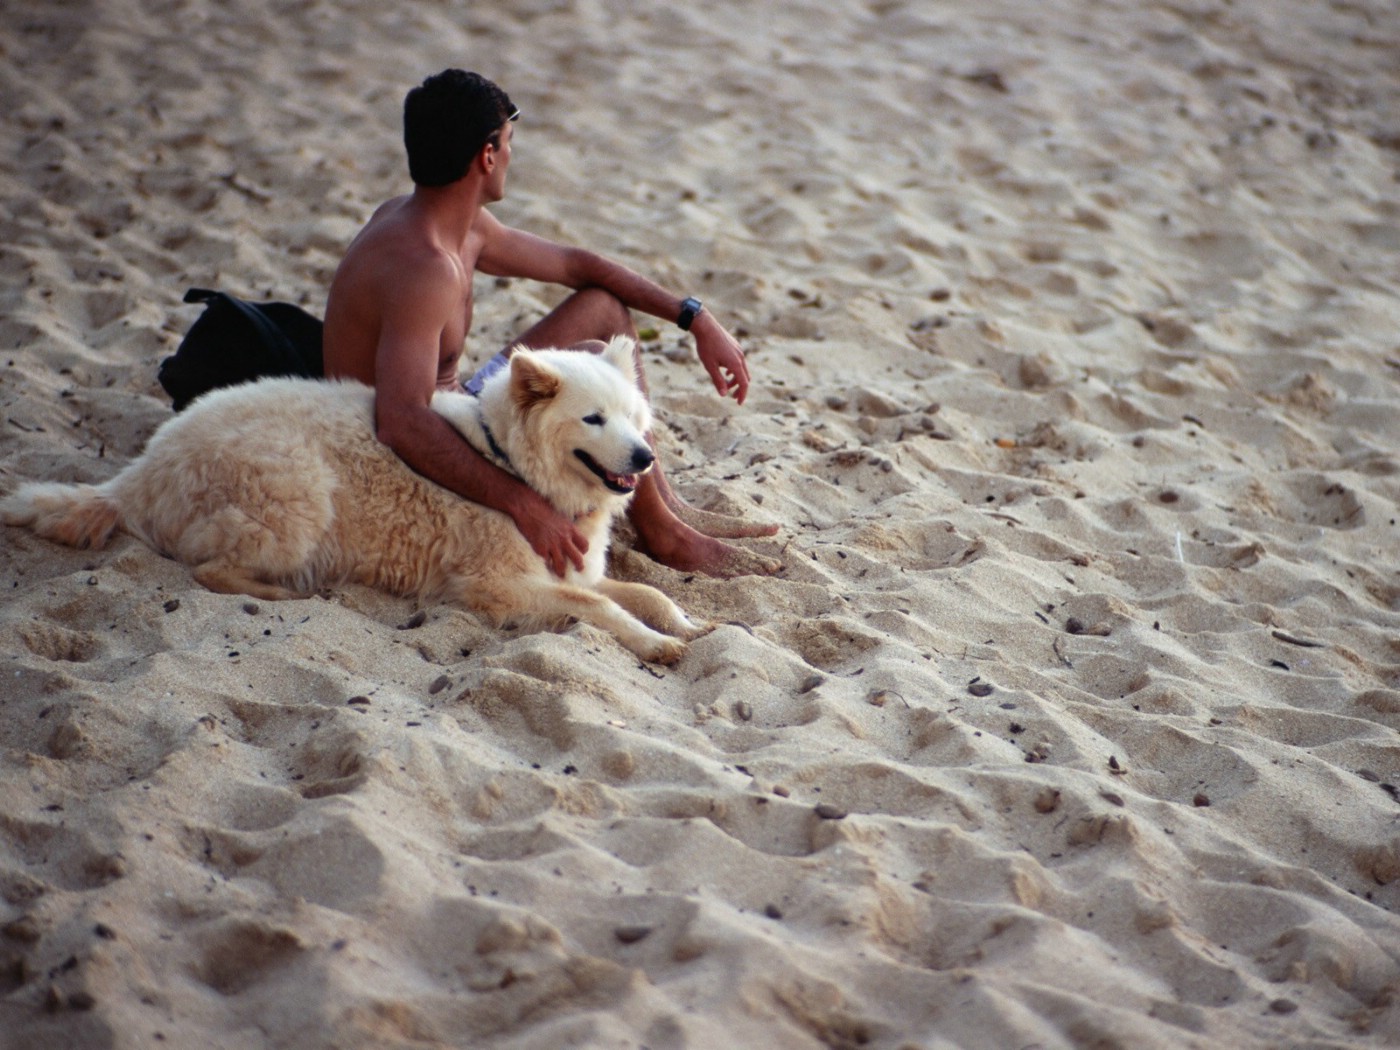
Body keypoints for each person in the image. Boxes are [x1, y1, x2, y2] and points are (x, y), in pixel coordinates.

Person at [322, 69, 779, 579]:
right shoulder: (424, 267)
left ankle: (663, 510)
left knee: (603, 312)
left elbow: (579, 266)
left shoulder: (449, 222)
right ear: (487, 155)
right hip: (413, 446)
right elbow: (401, 421)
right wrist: (523, 504)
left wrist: (695, 319)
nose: (513, 157)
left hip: (456, 406)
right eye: (510, 142)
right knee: (586, 357)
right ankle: (663, 533)